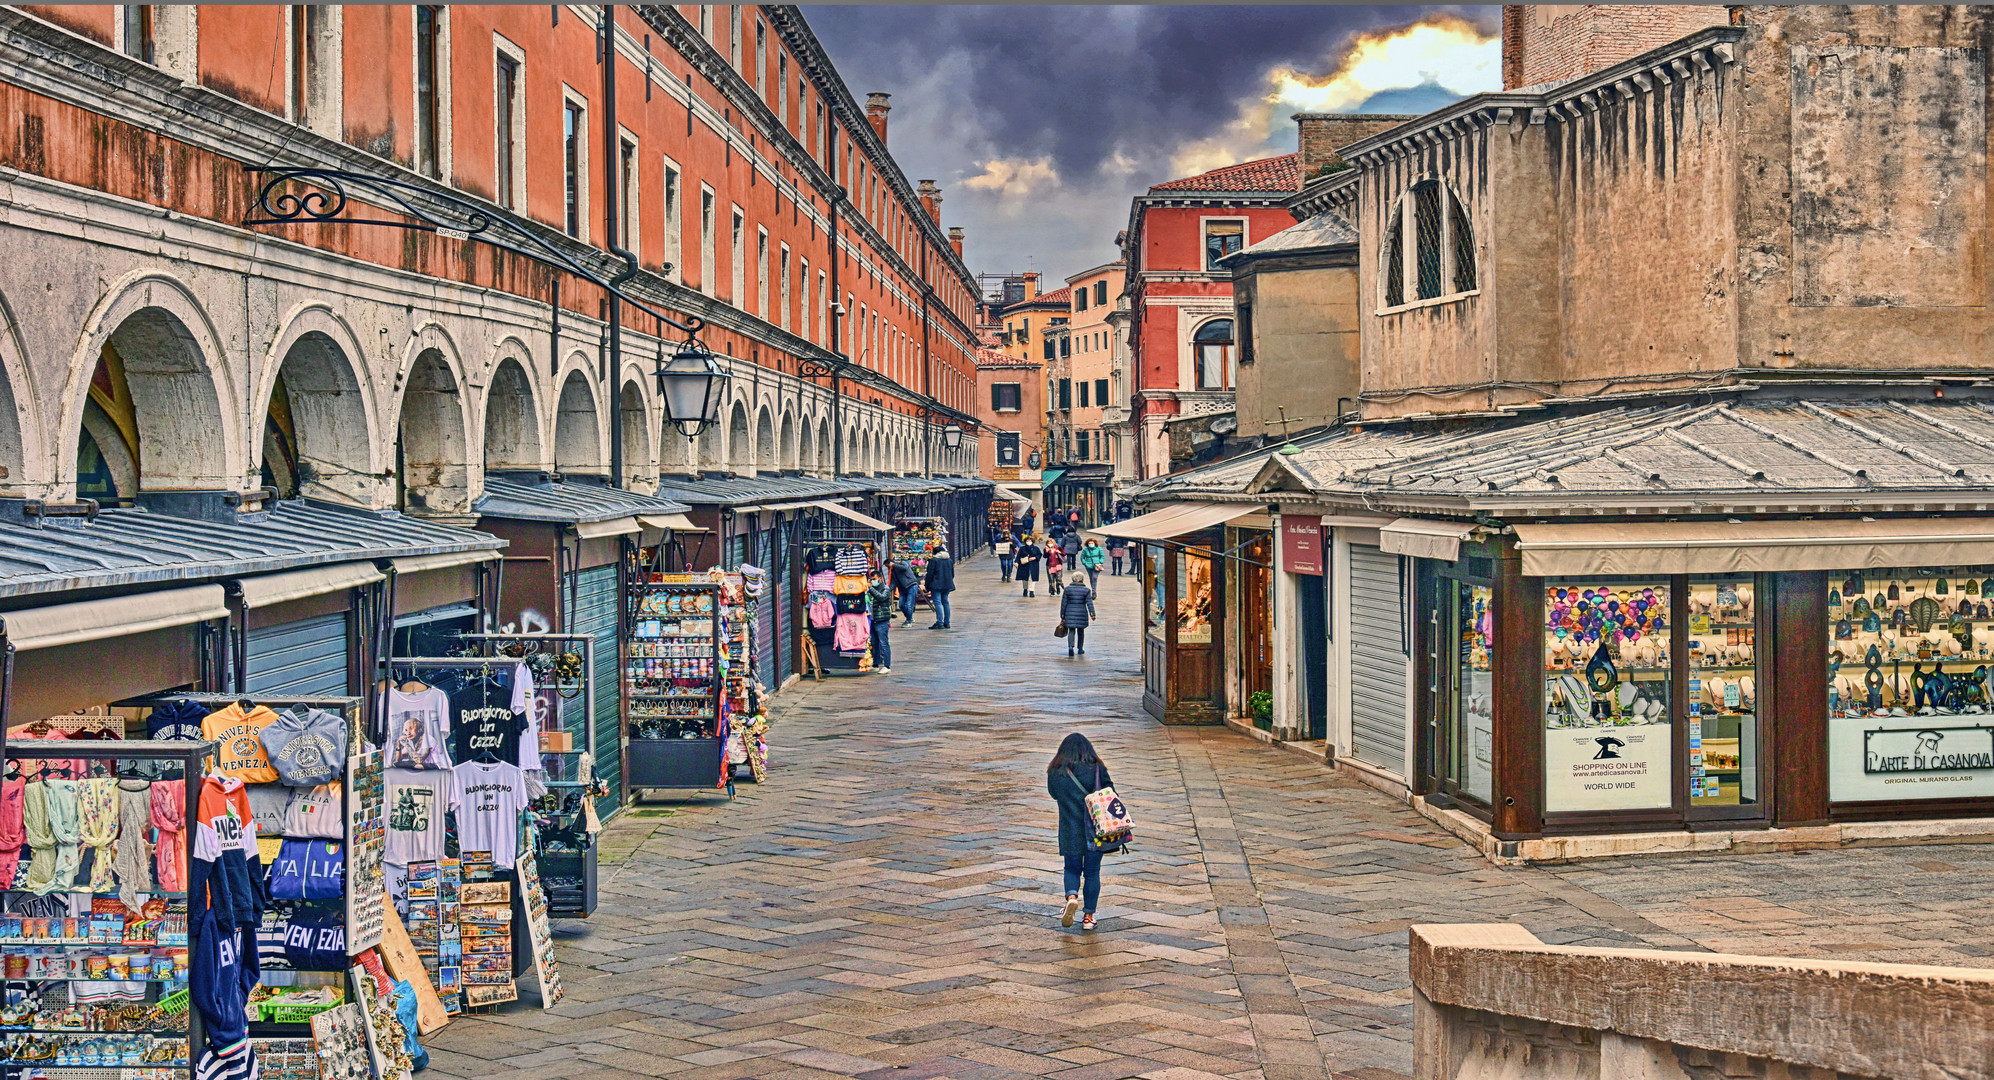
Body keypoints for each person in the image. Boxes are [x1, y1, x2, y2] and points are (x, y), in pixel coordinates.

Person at [1047, 732, 1115, 931]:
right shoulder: (1096, 768)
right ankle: (1088, 917)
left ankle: (1071, 897)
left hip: (1070, 830)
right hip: (1095, 831)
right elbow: (1111, 793)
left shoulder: (1056, 770)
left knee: (1071, 868)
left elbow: (1053, 794)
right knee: (1092, 872)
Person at [1060, 571, 1095, 657]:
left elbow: (1063, 603)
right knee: (1081, 631)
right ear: (1082, 579)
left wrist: (1062, 615)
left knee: (1071, 630)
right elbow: (1089, 603)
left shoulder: (1067, 590)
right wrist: (1092, 614)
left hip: (1069, 612)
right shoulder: (1086, 590)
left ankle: (1071, 647)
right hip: (1082, 612)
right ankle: (1080, 648)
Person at [865, 572, 895, 674]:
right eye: (871, 579)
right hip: (873, 619)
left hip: (882, 620)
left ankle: (887, 665)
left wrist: (871, 589)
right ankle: (876, 664)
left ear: (880, 579)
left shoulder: (885, 588)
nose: (873, 581)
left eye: (875, 579)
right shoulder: (871, 590)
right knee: (874, 642)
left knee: (884, 643)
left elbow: (881, 597)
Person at [924, 546, 956, 629]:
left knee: (937, 602)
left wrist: (927, 585)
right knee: (945, 602)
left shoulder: (933, 561)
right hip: (947, 584)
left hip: (936, 584)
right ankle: (947, 622)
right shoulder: (949, 560)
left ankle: (939, 623)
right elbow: (952, 574)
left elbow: (929, 574)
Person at [891, 556, 920, 626]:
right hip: (902, 589)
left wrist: (894, 565)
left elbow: (905, 568)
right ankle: (909, 617)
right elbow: (893, 583)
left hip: (911, 586)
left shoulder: (902, 564)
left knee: (909, 605)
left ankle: (909, 621)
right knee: (901, 605)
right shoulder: (892, 572)